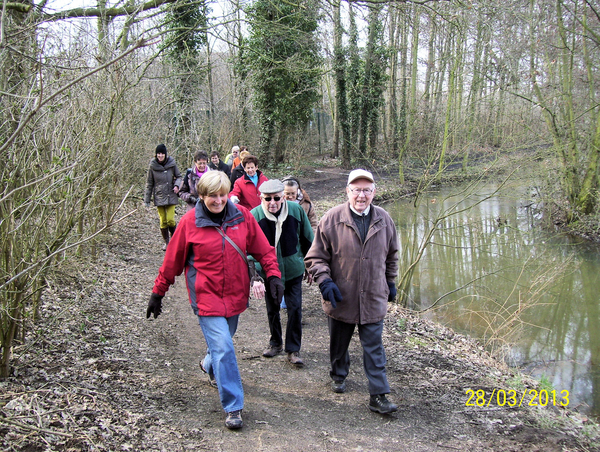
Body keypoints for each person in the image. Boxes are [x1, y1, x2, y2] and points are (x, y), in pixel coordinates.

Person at [146, 171, 284, 430]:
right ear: (201, 196)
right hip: (206, 298)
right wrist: (158, 292)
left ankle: (207, 364)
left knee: (221, 346)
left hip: (235, 296)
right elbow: (171, 262)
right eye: (212, 196)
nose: (218, 200)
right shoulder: (189, 223)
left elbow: (263, 250)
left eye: (222, 195)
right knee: (224, 347)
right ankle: (233, 406)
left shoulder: (242, 216)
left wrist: (274, 276)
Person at [304, 169, 400, 415]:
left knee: (374, 347)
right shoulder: (331, 219)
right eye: (356, 190)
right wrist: (324, 281)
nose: (361, 195)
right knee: (339, 345)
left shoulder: (384, 219)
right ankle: (338, 373)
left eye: (366, 190)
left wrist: (390, 281)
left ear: (374, 192)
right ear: (347, 191)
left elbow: (392, 256)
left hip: (373, 297)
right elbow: (316, 256)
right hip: (340, 297)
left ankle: (378, 395)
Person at [249, 180, 314, 367]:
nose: (272, 203)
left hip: (293, 269)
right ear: (261, 197)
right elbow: (248, 249)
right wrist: (255, 276)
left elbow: (308, 239)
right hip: (268, 272)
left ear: (283, 197)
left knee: (295, 308)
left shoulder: (296, 211)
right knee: (272, 309)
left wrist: (309, 265)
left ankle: (293, 349)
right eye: (267, 198)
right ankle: (275, 342)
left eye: (277, 198)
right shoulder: (254, 216)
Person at [144, 144, 183, 251]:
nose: (160, 156)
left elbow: (179, 176)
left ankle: (175, 239)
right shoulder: (152, 166)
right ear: (156, 154)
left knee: (170, 219)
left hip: (171, 194)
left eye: (162, 154)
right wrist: (147, 200)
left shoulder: (172, 163)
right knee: (163, 221)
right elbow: (149, 183)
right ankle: (167, 242)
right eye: (158, 154)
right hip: (159, 195)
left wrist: (177, 185)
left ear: (165, 154)